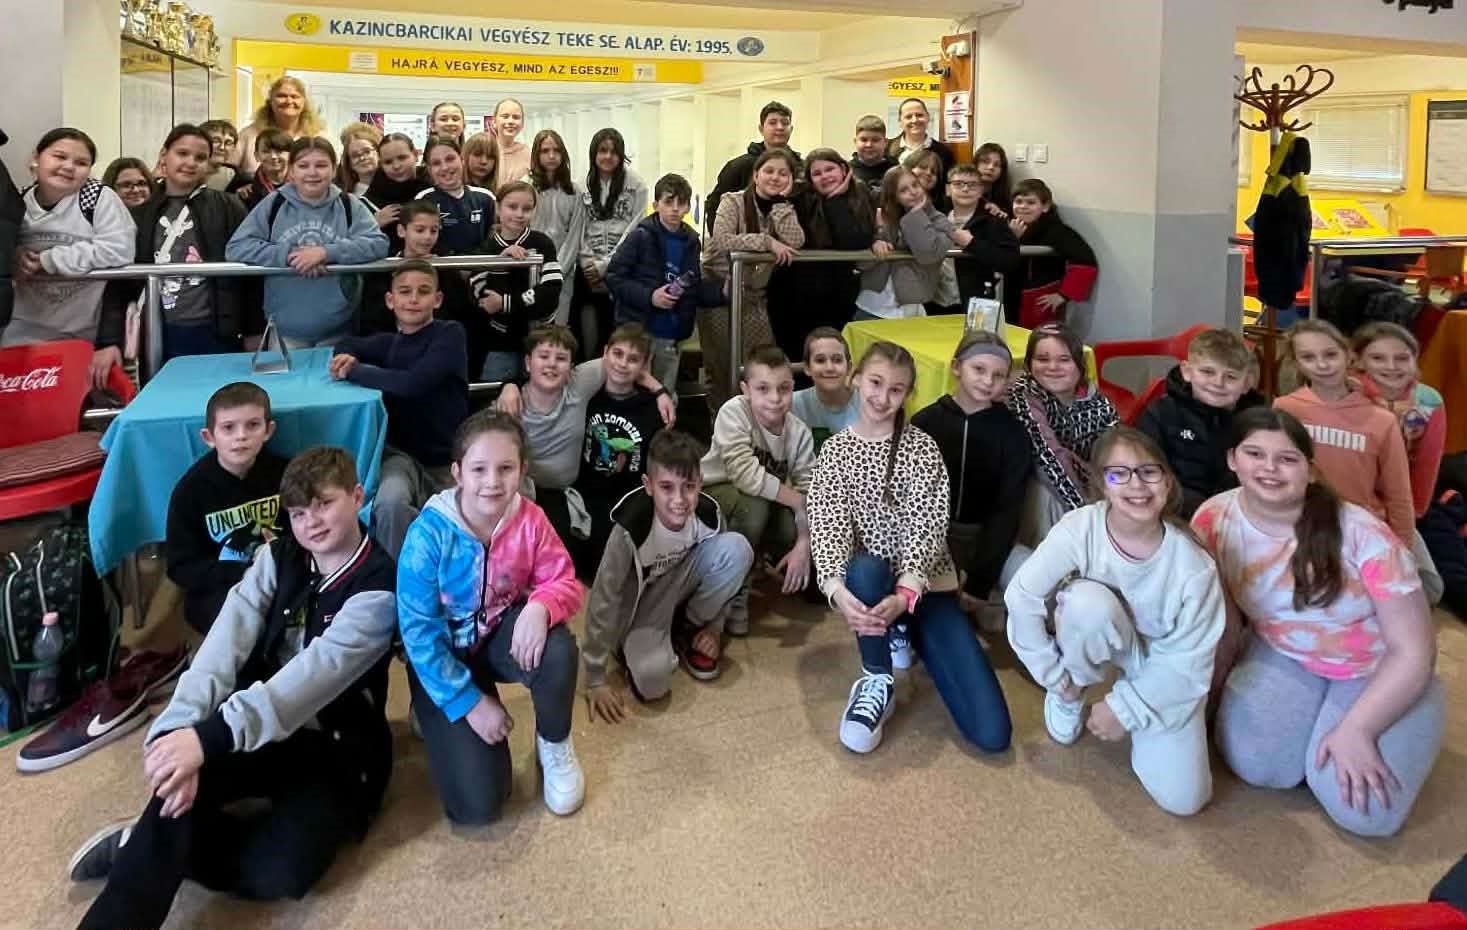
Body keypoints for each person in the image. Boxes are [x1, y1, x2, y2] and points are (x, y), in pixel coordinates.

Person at [71, 447, 397, 930]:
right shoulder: (275, 557)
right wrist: (178, 729)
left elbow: (306, 683)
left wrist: (206, 740)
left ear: (357, 496)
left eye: (325, 505)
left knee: (284, 871)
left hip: (332, 747)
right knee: (177, 785)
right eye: (298, 513)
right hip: (251, 728)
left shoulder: (379, 588)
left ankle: (142, 842)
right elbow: (220, 649)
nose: (311, 523)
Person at [1195, 407, 1444, 838]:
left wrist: (1358, 728)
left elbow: (1414, 650)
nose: (1269, 468)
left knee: (1366, 813)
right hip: (1285, 652)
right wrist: (1206, 701)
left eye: (1287, 459)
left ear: (1309, 471)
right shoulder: (1212, 519)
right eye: (1255, 454)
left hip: (1376, 666)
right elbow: (1225, 622)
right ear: (1232, 459)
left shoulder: (1364, 535)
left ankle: (1415, 709)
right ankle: (1316, 730)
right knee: (1258, 765)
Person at [1007, 426, 1224, 816]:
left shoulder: (1194, 567)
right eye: (1118, 474)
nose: (1136, 484)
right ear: (1102, 485)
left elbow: (1189, 664)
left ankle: (1139, 708)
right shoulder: (1080, 527)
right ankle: (1072, 691)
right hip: (1103, 631)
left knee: (1186, 800)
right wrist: (1052, 674)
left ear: (1168, 481)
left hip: (1160, 662)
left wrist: (1126, 707)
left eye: (1149, 471)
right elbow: (1022, 597)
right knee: (1085, 604)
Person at [808, 340, 1011, 755]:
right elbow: (828, 527)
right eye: (875, 383)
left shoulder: (921, 448)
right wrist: (837, 592)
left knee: (992, 733)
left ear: (907, 394)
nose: (883, 398)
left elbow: (927, 528)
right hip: (869, 585)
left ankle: (902, 627)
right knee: (865, 570)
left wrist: (906, 596)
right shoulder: (834, 452)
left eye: (896, 389)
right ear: (856, 379)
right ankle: (876, 676)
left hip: (923, 588)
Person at [397, 410, 586, 824]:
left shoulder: (531, 520)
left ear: (522, 470)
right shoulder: (427, 536)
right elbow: (418, 635)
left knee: (557, 648)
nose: (492, 482)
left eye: (505, 468)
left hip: (497, 637)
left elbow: (565, 581)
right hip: (443, 658)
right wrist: (469, 704)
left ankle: (554, 744)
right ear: (457, 473)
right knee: (480, 804)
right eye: (479, 469)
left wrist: (540, 606)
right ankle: (432, 705)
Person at [583, 429, 755, 721]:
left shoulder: (708, 514)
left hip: (680, 587)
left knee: (737, 548)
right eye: (666, 487)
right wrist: (595, 678)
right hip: (641, 610)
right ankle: (638, 646)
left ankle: (689, 628)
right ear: (648, 486)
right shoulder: (629, 529)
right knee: (653, 684)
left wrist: (715, 627)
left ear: (700, 483)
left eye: (689, 486)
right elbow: (603, 597)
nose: (679, 499)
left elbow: (730, 576)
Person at [495, 323, 675, 558]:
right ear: (528, 363)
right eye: (544, 357)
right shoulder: (510, 406)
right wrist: (509, 385)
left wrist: (660, 392)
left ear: (572, 368)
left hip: (564, 494)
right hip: (522, 491)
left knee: (566, 551)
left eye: (561, 358)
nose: (551, 363)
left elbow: (625, 362)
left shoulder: (579, 385)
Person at [332, 259, 468, 559]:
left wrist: (355, 371)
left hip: (449, 461)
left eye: (423, 291)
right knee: (389, 505)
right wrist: (346, 356)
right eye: (405, 292)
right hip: (401, 458)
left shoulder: (450, 334)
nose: (413, 299)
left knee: (462, 522)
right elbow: (346, 343)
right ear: (390, 300)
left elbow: (412, 383)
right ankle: (393, 579)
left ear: (438, 299)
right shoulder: (388, 343)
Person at [99, 124, 251, 360]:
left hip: (219, 329)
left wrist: (254, 329)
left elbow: (249, 275)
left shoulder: (229, 207)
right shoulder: (139, 214)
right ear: (164, 155)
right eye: (182, 153)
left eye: (200, 157)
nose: (190, 162)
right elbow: (120, 282)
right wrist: (108, 341)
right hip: (159, 330)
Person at [911, 331, 1032, 622]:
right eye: (978, 369)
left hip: (985, 539)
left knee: (1028, 579)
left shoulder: (1012, 433)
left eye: (998, 375)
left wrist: (980, 580)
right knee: (938, 615)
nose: (988, 381)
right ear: (956, 367)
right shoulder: (925, 422)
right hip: (933, 540)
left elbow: (1008, 509)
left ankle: (983, 595)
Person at [1, 127, 136, 390]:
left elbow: (120, 249)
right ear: (36, 158)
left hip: (82, 333)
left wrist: (48, 261)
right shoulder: (17, 201)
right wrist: (14, 256)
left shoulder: (98, 199)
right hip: (23, 330)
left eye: (81, 162)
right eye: (59, 156)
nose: (68, 166)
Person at [700, 345, 816, 647]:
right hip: (715, 494)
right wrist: (797, 501)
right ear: (746, 390)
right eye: (763, 388)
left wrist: (803, 542)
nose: (775, 398)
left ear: (793, 388)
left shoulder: (799, 433)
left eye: (784, 388)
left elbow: (808, 492)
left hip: (766, 501)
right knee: (755, 507)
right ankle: (732, 593)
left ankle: (758, 560)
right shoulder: (733, 411)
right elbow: (744, 475)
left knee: (795, 538)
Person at [225, 137, 389, 348]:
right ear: (292, 171)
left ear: (334, 169)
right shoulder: (274, 203)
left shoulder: (349, 204)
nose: (312, 172)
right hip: (284, 329)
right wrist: (293, 257)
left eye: (321, 165)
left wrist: (326, 253)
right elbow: (237, 247)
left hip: (339, 326)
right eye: (303, 166)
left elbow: (378, 244)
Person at [163, 381, 287, 635]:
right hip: (221, 589)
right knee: (241, 624)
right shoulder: (190, 491)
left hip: (282, 577)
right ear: (209, 437)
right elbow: (180, 567)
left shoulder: (287, 475)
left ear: (268, 430)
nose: (241, 436)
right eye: (228, 427)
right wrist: (243, 571)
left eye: (252, 425)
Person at [1274, 320, 1414, 543]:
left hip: (1362, 533)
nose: (1322, 365)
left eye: (1330, 354)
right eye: (1308, 357)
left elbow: (1398, 494)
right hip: (1298, 527)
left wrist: (1403, 547)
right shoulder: (1284, 409)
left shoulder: (1382, 421)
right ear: (1297, 363)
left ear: (1348, 356)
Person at [701, 148, 804, 405]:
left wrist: (781, 205)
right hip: (721, 295)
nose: (775, 177)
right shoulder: (732, 201)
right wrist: (766, 242)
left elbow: (795, 241)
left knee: (762, 364)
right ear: (756, 175)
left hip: (755, 297)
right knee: (722, 366)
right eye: (769, 171)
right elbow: (723, 239)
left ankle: (758, 420)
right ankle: (721, 422)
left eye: (783, 173)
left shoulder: (784, 207)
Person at [605, 172, 720, 394]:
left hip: (671, 335)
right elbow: (614, 278)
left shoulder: (691, 241)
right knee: (629, 394)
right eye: (668, 202)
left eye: (681, 203)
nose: (675, 208)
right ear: (656, 205)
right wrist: (650, 296)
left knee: (663, 395)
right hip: (638, 332)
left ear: (688, 207)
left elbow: (692, 288)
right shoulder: (640, 236)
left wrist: (722, 292)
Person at [1007, 322, 1119, 544]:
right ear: (1029, 364)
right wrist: (1083, 512)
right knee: (1044, 491)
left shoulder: (1095, 400)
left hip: (1089, 482)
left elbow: (1115, 452)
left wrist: (1114, 489)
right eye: (1042, 359)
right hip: (1044, 485)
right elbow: (1048, 456)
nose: (1053, 367)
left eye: (1064, 359)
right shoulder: (1025, 395)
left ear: (1079, 364)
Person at [1136, 327, 1264, 517]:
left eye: (1230, 376)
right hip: (1174, 513)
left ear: (1246, 383)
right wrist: (1199, 510)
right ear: (1187, 372)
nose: (1218, 383)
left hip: (1239, 514)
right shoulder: (1161, 414)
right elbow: (1146, 471)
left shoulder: (1259, 423)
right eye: (1207, 372)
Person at [573, 323, 670, 573]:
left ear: (644, 366)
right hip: (585, 493)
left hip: (628, 496)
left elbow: (657, 462)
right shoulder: (587, 395)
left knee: (615, 559)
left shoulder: (653, 408)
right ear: (605, 353)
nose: (623, 364)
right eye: (618, 354)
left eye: (633, 359)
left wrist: (661, 392)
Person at [774, 148, 878, 353]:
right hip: (797, 296)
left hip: (839, 293)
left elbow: (853, 241)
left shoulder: (861, 196)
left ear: (843, 169)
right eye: (817, 173)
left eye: (829, 169)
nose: (825, 176)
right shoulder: (801, 199)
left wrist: (835, 200)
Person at [467, 180, 564, 383]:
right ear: (498, 207)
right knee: (495, 394)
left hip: (539, 339)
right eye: (512, 207)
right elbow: (484, 300)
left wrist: (506, 303)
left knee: (539, 392)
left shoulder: (542, 243)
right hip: (500, 342)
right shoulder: (487, 249)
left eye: (527, 209)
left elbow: (550, 292)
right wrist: (500, 263)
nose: (519, 214)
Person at [1352, 322, 1444, 522]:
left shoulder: (1429, 401)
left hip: (1403, 503)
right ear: (1359, 361)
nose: (1391, 366)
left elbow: (1427, 463)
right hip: (1351, 503)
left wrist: (1415, 512)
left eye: (1402, 358)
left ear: (1415, 359)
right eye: (1378, 358)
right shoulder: (1346, 394)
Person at [358, 200, 474, 354]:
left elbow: (459, 317)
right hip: (389, 352)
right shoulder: (381, 269)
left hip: (435, 351)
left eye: (433, 231)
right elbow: (370, 320)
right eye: (420, 230)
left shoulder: (447, 271)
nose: (428, 237)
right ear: (401, 231)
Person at [579, 128, 648, 358]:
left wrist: (607, 264)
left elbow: (635, 228)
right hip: (589, 270)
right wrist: (588, 263)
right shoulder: (581, 185)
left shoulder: (637, 185)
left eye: (613, 151)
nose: (608, 156)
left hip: (622, 267)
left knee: (618, 334)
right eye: (602, 151)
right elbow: (579, 227)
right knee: (590, 335)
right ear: (593, 153)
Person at [854, 166, 953, 319]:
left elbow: (928, 254)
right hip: (873, 306)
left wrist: (915, 214)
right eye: (903, 190)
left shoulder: (939, 219)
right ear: (893, 196)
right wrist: (874, 241)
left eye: (915, 185)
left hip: (912, 307)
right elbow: (861, 263)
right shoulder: (878, 216)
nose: (913, 192)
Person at [1003, 179, 1098, 328]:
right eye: (1018, 201)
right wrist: (1012, 238)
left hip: (1039, 300)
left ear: (1045, 206)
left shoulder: (1056, 231)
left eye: (1031, 202)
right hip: (1012, 297)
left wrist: (1063, 295)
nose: (1023, 206)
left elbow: (1086, 261)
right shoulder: (1009, 227)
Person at [704, 101, 801, 236]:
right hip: (745, 244)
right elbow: (714, 206)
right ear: (761, 129)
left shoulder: (801, 167)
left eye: (785, 123)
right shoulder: (738, 166)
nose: (779, 127)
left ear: (791, 129)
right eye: (773, 123)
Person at [941, 162, 1019, 313]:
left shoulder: (994, 222)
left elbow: (1009, 260)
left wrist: (972, 243)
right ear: (948, 189)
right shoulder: (937, 219)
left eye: (972, 185)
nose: (965, 189)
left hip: (975, 303)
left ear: (981, 191)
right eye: (958, 184)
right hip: (938, 301)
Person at [529, 129, 585, 327]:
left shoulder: (574, 191)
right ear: (536, 154)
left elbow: (575, 234)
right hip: (531, 267)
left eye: (557, 150)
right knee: (533, 326)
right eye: (545, 151)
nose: (551, 156)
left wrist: (557, 270)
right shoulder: (526, 186)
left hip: (563, 270)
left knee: (558, 327)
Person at [415, 136, 494, 256]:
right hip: (440, 267)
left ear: (462, 160)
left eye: (450, 159)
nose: (445, 167)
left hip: (480, 266)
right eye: (436, 163)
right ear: (429, 170)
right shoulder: (423, 200)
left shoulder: (485, 198)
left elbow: (494, 239)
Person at [234, 76, 322, 176]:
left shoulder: (317, 136)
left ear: (304, 102)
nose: (289, 101)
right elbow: (228, 172)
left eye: (295, 96)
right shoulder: (249, 135)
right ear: (270, 101)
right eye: (282, 96)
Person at [791, 327, 859, 450]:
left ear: (849, 367)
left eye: (837, 360)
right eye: (820, 360)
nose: (829, 368)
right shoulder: (792, 404)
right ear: (807, 368)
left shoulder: (867, 404)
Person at [362, 133, 425, 255]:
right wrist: (372, 225)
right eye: (388, 162)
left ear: (416, 155)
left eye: (402, 158)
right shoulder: (367, 204)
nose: (396, 166)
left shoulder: (432, 192)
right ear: (381, 165)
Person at [887, 98, 954, 192]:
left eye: (919, 115)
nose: (914, 120)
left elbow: (945, 188)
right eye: (908, 117)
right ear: (900, 122)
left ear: (928, 118)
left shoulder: (944, 152)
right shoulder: (887, 149)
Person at [235, 129, 291, 213]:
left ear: (291, 154)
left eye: (279, 151)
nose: (273, 156)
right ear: (256, 156)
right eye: (266, 151)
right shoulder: (246, 194)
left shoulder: (304, 187)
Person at [849, 115, 898, 193]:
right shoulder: (847, 172)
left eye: (875, 140)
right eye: (864, 140)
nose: (869, 145)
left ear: (885, 142)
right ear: (855, 142)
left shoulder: (896, 170)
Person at [491, 98, 531, 189]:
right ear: (494, 121)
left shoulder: (528, 152)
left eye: (516, 117)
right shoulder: (485, 149)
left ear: (522, 123)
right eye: (505, 116)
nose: (510, 121)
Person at [337, 121, 382, 197]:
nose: (362, 158)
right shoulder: (346, 197)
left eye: (367, 151)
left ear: (378, 153)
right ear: (349, 163)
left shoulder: (397, 188)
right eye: (355, 155)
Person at [197, 120, 241, 192]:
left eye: (228, 143)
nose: (222, 147)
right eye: (216, 141)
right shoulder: (183, 172)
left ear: (234, 148)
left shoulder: (237, 179)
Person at [973, 142, 1012, 215]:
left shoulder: (1004, 199)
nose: (991, 167)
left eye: (997, 165)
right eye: (985, 162)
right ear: (976, 164)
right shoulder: (962, 192)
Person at [909, 149, 948, 214]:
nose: (928, 173)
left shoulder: (943, 206)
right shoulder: (897, 201)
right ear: (909, 168)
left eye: (933, 172)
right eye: (923, 167)